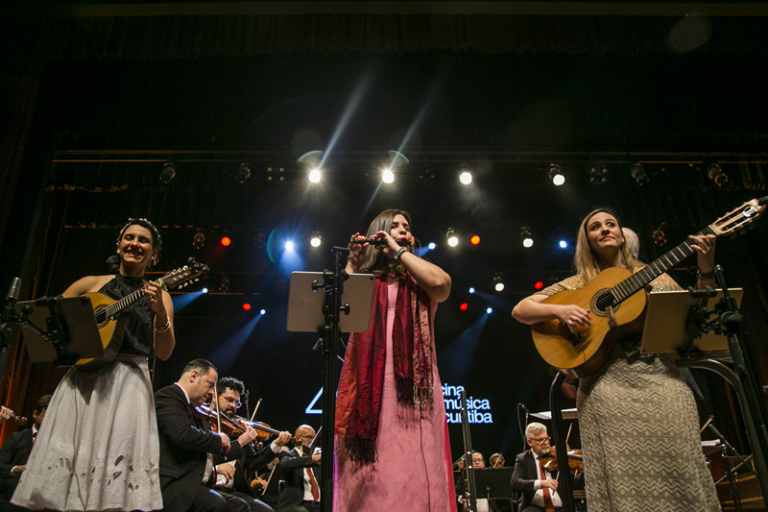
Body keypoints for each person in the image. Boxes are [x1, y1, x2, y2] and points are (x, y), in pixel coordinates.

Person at [512, 208, 720, 512]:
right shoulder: (576, 286)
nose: (605, 229)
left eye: (611, 224)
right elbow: (521, 309)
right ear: (587, 241)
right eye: (596, 227)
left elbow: (699, 318)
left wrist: (706, 269)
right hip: (606, 391)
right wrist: (560, 310)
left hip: (664, 384)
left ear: (622, 235)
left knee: (682, 473)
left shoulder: (656, 274)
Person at [13, 218, 174, 511]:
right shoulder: (90, 284)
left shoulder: (159, 296)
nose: (135, 244)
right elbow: (51, 324)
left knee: (113, 465)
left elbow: (164, 352)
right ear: (119, 244)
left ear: (154, 254)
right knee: (71, 463)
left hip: (128, 385)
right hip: (84, 380)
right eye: (129, 237)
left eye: (143, 240)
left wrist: (159, 313)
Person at [334, 209, 456, 512]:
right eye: (394, 225)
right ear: (379, 232)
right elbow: (344, 320)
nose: (403, 229)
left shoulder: (419, 279)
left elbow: (443, 285)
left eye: (406, 226)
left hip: (411, 388)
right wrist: (353, 262)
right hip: (368, 387)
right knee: (371, 476)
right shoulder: (366, 279)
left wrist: (399, 251)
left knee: (412, 469)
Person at [155, 359, 259, 512]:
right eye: (210, 385)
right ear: (193, 376)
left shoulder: (196, 410)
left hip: (194, 483)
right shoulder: (170, 396)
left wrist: (239, 443)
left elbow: (208, 454)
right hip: (175, 483)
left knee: (240, 507)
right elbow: (182, 435)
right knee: (216, 504)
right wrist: (217, 439)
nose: (212, 392)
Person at [212, 377, 292, 512]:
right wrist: (217, 467)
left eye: (237, 403)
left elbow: (252, 463)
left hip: (232, 490)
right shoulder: (203, 423)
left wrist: (276, 444)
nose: (233, 406)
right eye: (229, 400)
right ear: (214, 397)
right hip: (209, 487)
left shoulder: (238, 430)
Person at [0, 395, 50, 511]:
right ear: (35, 414)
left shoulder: (57, 444)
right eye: (45, 417)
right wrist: (19, 468)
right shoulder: (17, 438)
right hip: (7, 501)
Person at [510, 423, 567, 512]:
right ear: (529, 442)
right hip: (535, 508)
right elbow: (515, 483)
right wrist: (541, 483)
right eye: (540, 440)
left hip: (561, 508)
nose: (545, 443)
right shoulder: (523, 459)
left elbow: (573, 482)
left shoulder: (556, 457)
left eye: (547, 439)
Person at [277, 425, 321, 512]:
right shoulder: (288, 454)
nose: (312, 441)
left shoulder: (315, 457)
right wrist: (310, 460)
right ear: (297, 439)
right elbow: (285, 464)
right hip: (297, 504)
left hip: (318, 504)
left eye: (314, 438)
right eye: (309, 437)